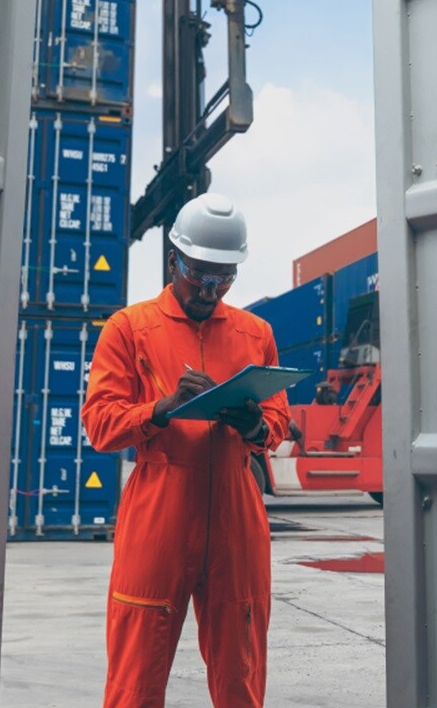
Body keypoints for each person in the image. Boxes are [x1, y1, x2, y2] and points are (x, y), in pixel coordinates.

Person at [82, 193, 292, 707]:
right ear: (174, 259)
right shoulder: (128, 330)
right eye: (200, 272)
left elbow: (279, 421)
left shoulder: (255, 334)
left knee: (240, 672)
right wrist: (162, 408)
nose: (210, 288)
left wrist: (255, 426)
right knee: (136, 676)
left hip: (236, 516)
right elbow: (100, 425)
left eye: (224, 276)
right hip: (159, 509)